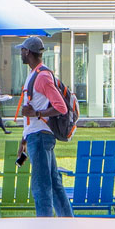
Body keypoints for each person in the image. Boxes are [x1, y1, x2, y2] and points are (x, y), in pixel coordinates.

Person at [16, 36, 72, 218]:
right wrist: (23, 140)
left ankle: (44, 228)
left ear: (28, 52)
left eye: (22, 50)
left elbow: (61, 107)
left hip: (40, 137)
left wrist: (37, 114)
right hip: (37, 136)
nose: (20, 53)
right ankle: (67, 223)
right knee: (54, 184)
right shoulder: (35, 74)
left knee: (41, 187)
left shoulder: (42, 77)